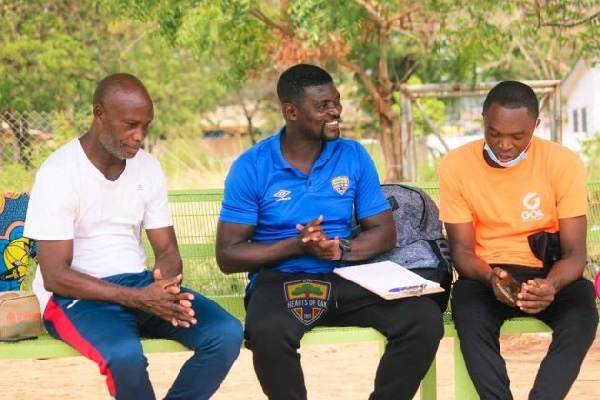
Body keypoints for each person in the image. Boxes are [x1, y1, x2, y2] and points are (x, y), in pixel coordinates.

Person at [216, 63, 443, 400]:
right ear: (291, 112)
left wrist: (340, 250)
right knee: (267, 333)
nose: (335, 111)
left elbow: (383, 232)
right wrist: (298, 245)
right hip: (282, 282)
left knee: (423, 320)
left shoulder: (352, 155)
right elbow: (228, 255)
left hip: (350, 278)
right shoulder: (252, 166)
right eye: (323, 106)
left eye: (336, 101)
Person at [24, 73, 243, 400]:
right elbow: (56, 276)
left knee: (224, 333)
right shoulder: (60, 173)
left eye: (146, 125)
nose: (139, 135)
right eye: (130, 124)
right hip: (75, 298)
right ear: (100, 114)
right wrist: (141, 299)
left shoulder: (148, 168)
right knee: (125, 357)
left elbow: (167, 250)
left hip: (139, 286)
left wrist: (164, 289)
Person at [438, 80, 598, 400]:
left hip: (548, 271)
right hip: (487, 273)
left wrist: (549, 286)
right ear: (483, 119)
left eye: (517, 136)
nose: (504, 145)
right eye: (494, 133)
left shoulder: (563, 163)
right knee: (468, 313)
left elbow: (575, 253)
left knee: (583, 314)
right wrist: (491, 277)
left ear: (536, 126)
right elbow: (462, 251)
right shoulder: (455, 166)